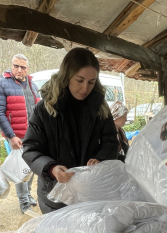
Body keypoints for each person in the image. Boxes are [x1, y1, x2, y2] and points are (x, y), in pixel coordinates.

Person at [22, 48, 119, 214]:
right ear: (67, 76)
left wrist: (101, 159)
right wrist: (51, 168)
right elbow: (31, 149)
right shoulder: (45, 109)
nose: (85, 88)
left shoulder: (99, 108)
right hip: (56, 195)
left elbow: (111, 141)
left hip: (91, 191)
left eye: (91, 82)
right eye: (80, 80)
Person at [0, 54, 41, 213]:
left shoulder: (32, 85)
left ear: (28, 68)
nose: (19, 70)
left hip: (33, 134)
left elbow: (38, 109)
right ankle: (24, 203)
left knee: (31, 166)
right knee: (21, 167)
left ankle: (28, 194)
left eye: (23, 67)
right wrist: (10, 136)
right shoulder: (1, 84)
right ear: (11, 66)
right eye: (16, 66)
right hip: (15, 135)